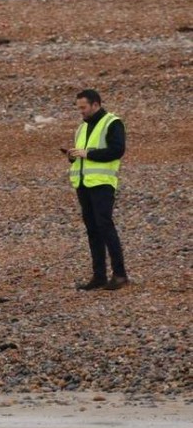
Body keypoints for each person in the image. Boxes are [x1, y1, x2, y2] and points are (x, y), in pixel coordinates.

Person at [65, 89, 129, 291]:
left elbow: (117, 150)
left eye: (83, 107)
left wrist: (87, 154)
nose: (81, 111)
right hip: (83, 184)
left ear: (96, 104)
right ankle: (99, 276)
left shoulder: (112, 123)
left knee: (105, 226)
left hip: (102, 183)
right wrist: (73, 156)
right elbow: (83, 155)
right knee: (92, 229)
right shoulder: (82, 127)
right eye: (79, 108)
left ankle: (120, 275)